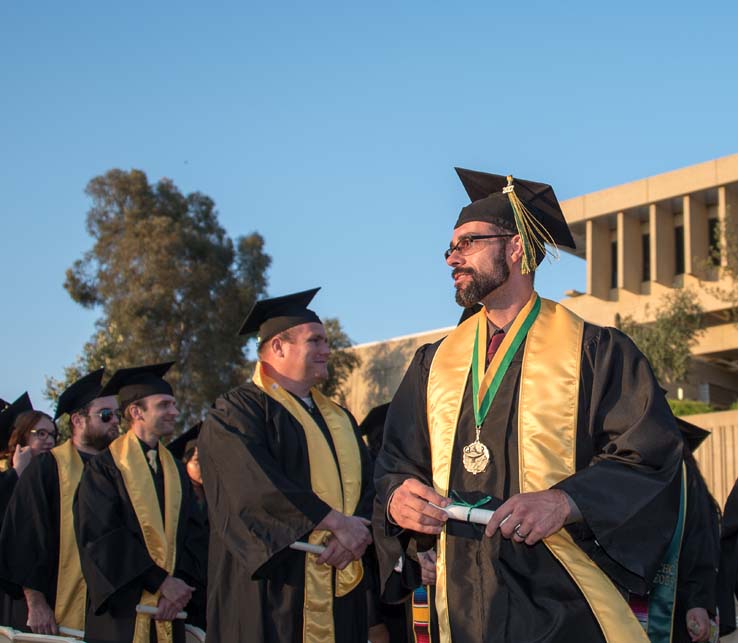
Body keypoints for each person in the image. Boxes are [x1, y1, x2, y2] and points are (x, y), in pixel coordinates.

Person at [373, 168, 684, 643]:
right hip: (459, 598)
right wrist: (398, 497)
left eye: (468, 243)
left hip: (561, 601)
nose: (452, 258)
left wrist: (567, 500)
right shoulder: (433, 364)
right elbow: (396, 460)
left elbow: (647, 455)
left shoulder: (595, 352)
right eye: (450, 248)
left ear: (516, 248)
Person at [198, 288, 374, 642]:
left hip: (339, 580)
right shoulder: (236, 412)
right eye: (316, 341)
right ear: (278, 347)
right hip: (274, 589)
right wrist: (337, 523)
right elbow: (252, 485)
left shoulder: (339, 418)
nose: (327, 350)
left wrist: (356, 532)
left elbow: (369, 485)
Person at [74, 363, 208, 643]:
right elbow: (102, 537)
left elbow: (194, 535)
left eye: (173, 404)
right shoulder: (105, 468)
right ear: (136, 412)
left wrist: (179, 589)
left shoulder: (174, 469)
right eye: (164, 405)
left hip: (170, 611)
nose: (175, 412)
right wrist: (159, 582)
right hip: (125, 612)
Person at [0, 369, 120, 635]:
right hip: (52, 608)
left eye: (117, 415)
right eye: (105, 414)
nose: (115, 421)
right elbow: (24, 536)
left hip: (105, 612)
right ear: (77, 420)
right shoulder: (47, 467)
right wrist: (36, 601)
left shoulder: (118, 472)